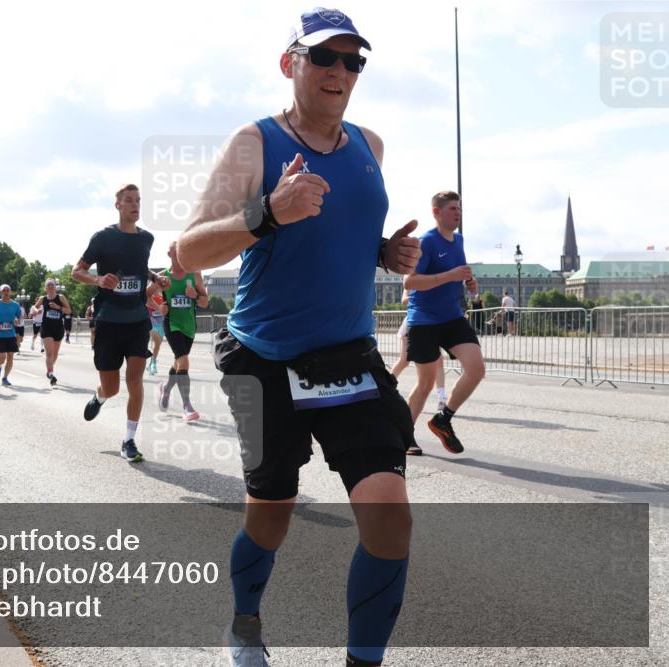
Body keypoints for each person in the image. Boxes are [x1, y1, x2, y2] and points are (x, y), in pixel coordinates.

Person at [174, 9, 422, 665]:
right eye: (325, 57)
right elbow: (187, 251)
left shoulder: (370, 145)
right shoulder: (254, 142)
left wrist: (382, 252)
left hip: (347, 356)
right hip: (264, 357)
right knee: (272, 509)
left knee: (390, 516)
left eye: (353, 60)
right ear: (291, 63)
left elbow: (335, 232)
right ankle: (244, 623)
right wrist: (266, 213)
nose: (340, 71)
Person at [73, 183, 160, 463]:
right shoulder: (103, 238)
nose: (135, 205)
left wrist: (154, 278)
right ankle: (100, 397)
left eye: (138, 200)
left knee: (135, 380)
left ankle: (129, 440)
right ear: (118, 205)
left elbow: (139, 266)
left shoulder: (146, 238)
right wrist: (98, 280)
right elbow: (77, 271)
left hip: (137, 319)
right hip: (109, 320)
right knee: (112, 388)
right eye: (129, 200)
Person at [404, 190, 486, 456]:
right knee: (425, 384)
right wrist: (450, 275)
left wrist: (469, 282)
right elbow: (409, 282)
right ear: (436, 212)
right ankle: (404, 435)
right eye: (452, 208)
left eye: (459, 208)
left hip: (452, 317)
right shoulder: (426, 242)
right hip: (424, 320)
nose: (458, 213)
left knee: (476, 369)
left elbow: (457, 275)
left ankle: (443, 419)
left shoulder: (458, 240)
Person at [157, 242, 209, 421]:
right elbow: (144, 295)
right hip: (172, 324)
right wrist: (159, 307)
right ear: (169, 254)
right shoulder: (163, 277)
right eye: (176, 252)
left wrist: (195, 295)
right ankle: (187, 407)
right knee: (184, 360)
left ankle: (166, 389)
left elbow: (205, 302)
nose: (180, 255)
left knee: (179, 362)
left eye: (182, 251)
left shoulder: (195, 274)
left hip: (189, 326)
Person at [390, 291, 448, 431]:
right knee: (404, 361)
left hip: (434, 322)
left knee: (439, 361)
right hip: (415, 322)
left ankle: (442, 398)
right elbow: (404, 299)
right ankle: (386, 386)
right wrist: (425, 296)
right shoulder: (413, 280)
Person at [33, 279, 71, 386]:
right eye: (48, 285)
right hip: (46, 328)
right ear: (45, 288)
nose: (50, 287)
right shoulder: (43, 298)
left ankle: (49, 369)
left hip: (58, 328)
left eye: (52, 285)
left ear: (55, 287)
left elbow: (69, 310)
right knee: (49, 353)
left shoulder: (61, 297)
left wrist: (58, 307)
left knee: (55, 354)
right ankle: (51, 374)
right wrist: (37, 311)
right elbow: (34, 307)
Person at [0, 284, 22, 386]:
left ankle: (5, 378)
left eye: (8, 290)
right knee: (2, 357)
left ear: (10, 292)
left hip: (11, 334)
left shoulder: (15, 305)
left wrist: (17, 320)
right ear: (0, 293)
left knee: (10, 356)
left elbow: (20, 317)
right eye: (4, 291)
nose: (6, 292)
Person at [146, 276, 165, 375]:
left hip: (161, 323)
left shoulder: (163, 296)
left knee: (157, 346)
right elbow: (145, 304)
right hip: (152, 322)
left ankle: (152, 363)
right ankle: (153, 364)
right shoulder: (149, 295)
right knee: (156, 342)